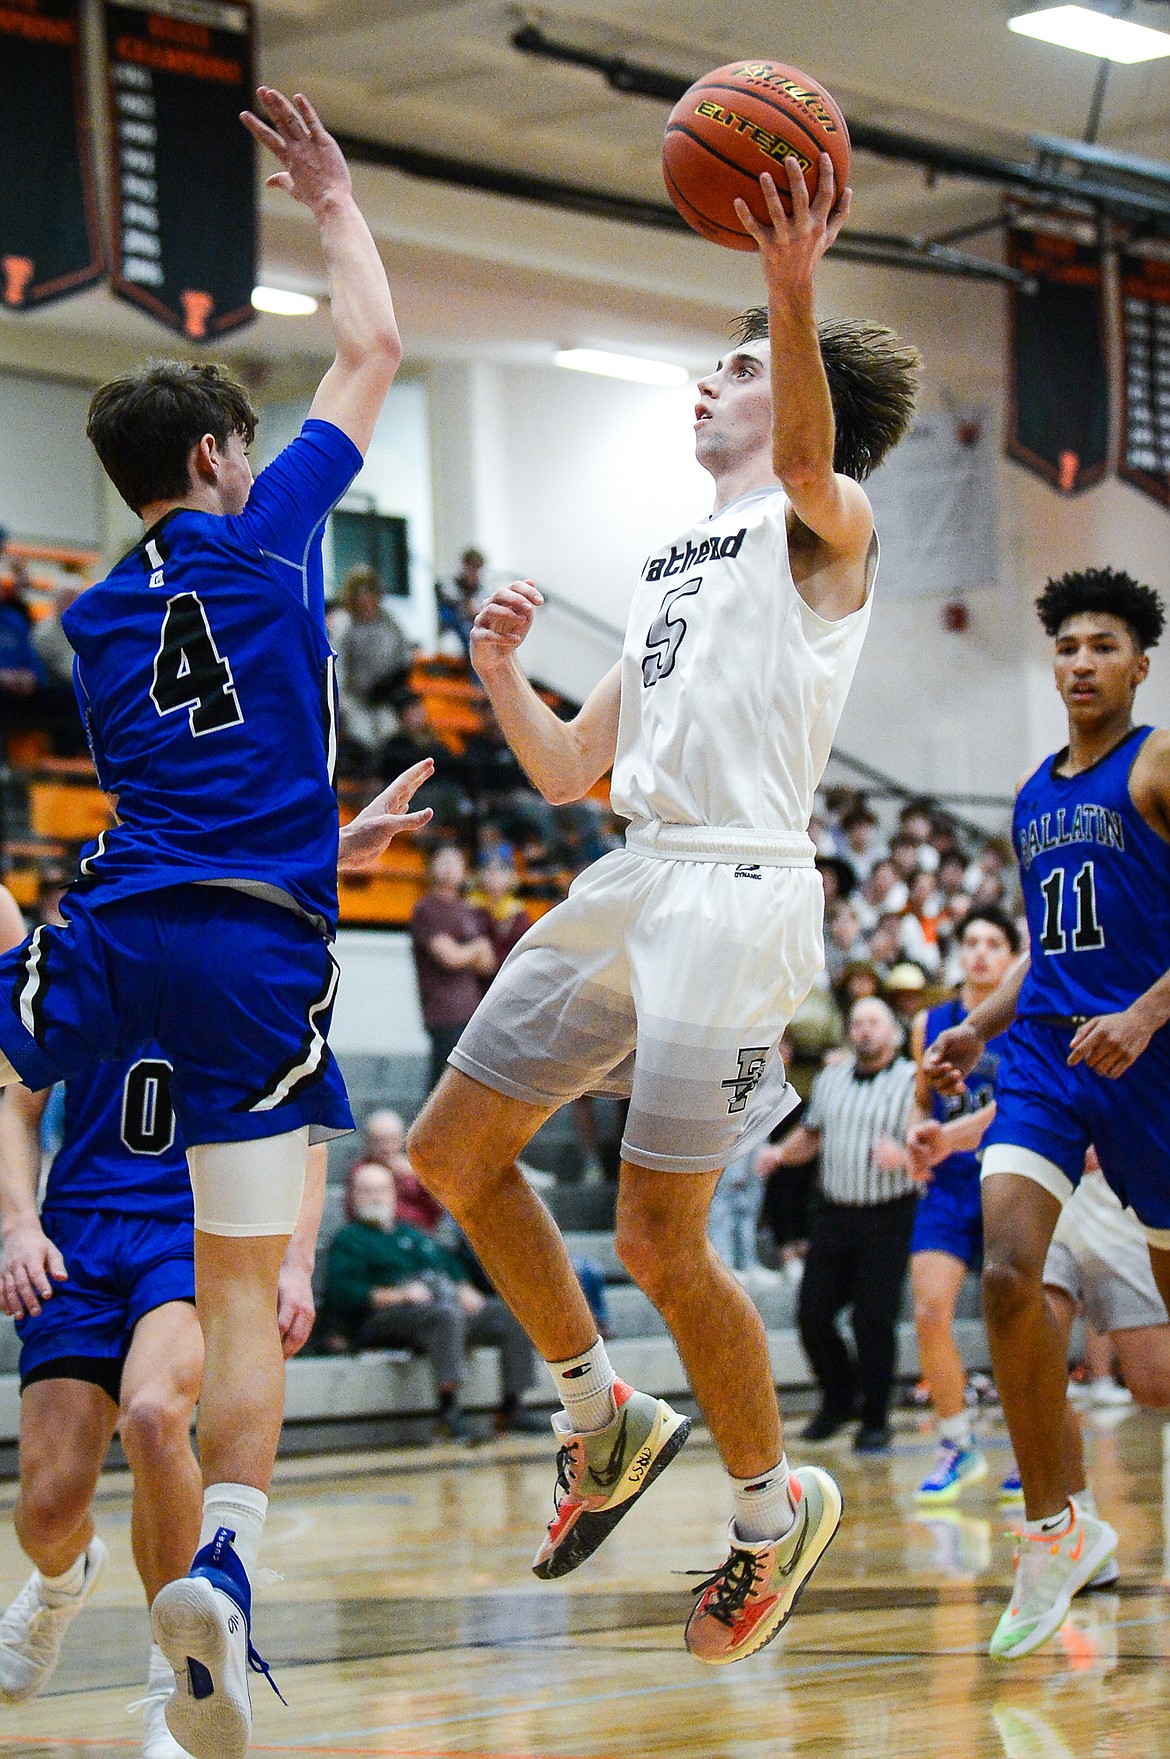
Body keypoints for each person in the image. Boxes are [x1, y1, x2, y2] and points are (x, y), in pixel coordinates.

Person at [406, 153, 921, 1665]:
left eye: (745, 364)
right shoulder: (664, 560)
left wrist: (792, 281)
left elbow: (815, 451)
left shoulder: (831, 526)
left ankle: (773, 1516)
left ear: (805, 390)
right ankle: (601, 1411)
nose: (713, 374)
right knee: (449, 1149)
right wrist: (503, 679)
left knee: (660, 1233)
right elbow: (572, 767)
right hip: (633, 874)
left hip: (741, 891)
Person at [0, 89, 434, 1759]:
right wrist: (330, 200)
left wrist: (323, 818)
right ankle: (230, 1558)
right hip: (258, 941)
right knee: (249, 1279)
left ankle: (160, 1575)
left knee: (189, 1261)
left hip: (127, 932)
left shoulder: (87, 615)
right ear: (214, 459)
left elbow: (190, 776)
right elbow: (375, 341)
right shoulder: (266, 533)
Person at [925, 565, 1170, 1660]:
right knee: (1009, 1269)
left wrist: (1146, 1014)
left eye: (1104, 645)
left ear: (1140, 664)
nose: (1081, 661)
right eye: (1067, 644)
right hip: (1043, 1058)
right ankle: (1054, 1523)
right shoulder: (1032, 794)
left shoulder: (1157, 762)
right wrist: (977, 1024)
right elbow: (1045, 950)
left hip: (1150, 1057)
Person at [0, 1053, 325, 1759]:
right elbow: (18, 1104)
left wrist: (296, 1260)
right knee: (48, 1508)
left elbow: (305, 1122)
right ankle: (64, 1578)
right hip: (80, 1236)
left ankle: (178, 1681)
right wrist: (19, 1225)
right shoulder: (78, 949)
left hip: (196, 1226)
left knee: (153, 1413)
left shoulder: (246, 951)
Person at [759, 998, 918, 1452]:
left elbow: (928, 1146)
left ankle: (875, 1418)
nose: (864, 1030)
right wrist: (778, 1154)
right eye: (857, 1022)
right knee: (812, 1315)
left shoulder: (910, 1081)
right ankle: (839, 1399)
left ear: (894, 1033)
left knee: (873, 1321)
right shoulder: (831, 1078)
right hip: (833, 1213)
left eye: (874, 1022)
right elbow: (812, 1135)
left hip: (888, 1215)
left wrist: (903, 1157)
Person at [904, 907, 1019, 1502]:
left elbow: (1019, 1106)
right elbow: (921, 1101)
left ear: (1011, 955)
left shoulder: (1030, 1012)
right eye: (970, 941)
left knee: (1019, 1314)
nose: (979, 953)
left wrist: (948, 1134)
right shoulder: (934, 1021)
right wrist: (914, 1137)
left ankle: (1034, 1445)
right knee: (929, 1309)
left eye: (992, 943)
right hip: (949, 1183)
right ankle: (956, 1442)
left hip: (1013, 1175)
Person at [322, 1159, 541, 1437]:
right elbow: (345, 1292)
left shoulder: (412, 1233)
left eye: (382, 1189)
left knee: (508, 1313)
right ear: (353, 1196)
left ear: (394, 1193)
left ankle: (512, 1407)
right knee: (444, 1316)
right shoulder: (348, 1239)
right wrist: (399, 1296)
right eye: (367, 1190)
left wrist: (463, 1287)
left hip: (437, 1309)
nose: (376, 1196)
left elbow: (448, 1265)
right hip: (381, 1320)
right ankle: (448, 1412)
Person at [409, 847, 497, 1092]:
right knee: (442, 1088)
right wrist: (475, 948)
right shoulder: (427, 908)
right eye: (443, 861)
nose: (449, 867)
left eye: (455, 862)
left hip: (473, 1012)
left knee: (467, 1088)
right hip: (443, 1012)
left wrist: (472, 951)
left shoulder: (469, 910)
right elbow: (449, 957)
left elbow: (488, 963)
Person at [334, 564, 414, 776]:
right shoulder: (345, 625)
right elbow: (338, 669)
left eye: (371, 593)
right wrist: (341, 702)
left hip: (384, 698)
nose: (367, 600)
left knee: (391, 732)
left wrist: (393, 684)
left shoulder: (389, 622)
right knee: (363, 735)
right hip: (354, 699)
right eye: (361, 595)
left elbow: (404, 657)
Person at [353, 1107, 443, 1233]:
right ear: (368, 1142)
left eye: (392, 1140)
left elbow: (438, 1209)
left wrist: (415, 1178)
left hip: (420, 1236)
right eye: (379, 1141)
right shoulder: (362, 1172)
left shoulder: (416, 1168)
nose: (386, 1148)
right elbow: (360, 1212)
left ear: (402, 1139)